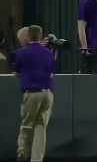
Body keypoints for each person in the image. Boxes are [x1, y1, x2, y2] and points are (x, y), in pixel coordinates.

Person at [15, 25, 55, 162]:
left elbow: (17, 72)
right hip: (47, 93)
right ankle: (36, 159)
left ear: (29, 36)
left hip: (31, 93)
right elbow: (52, 72)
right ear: (40, 35)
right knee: (40, 128)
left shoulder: (22, 52)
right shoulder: (48, 52)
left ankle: (22, 153)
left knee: (27, 125)